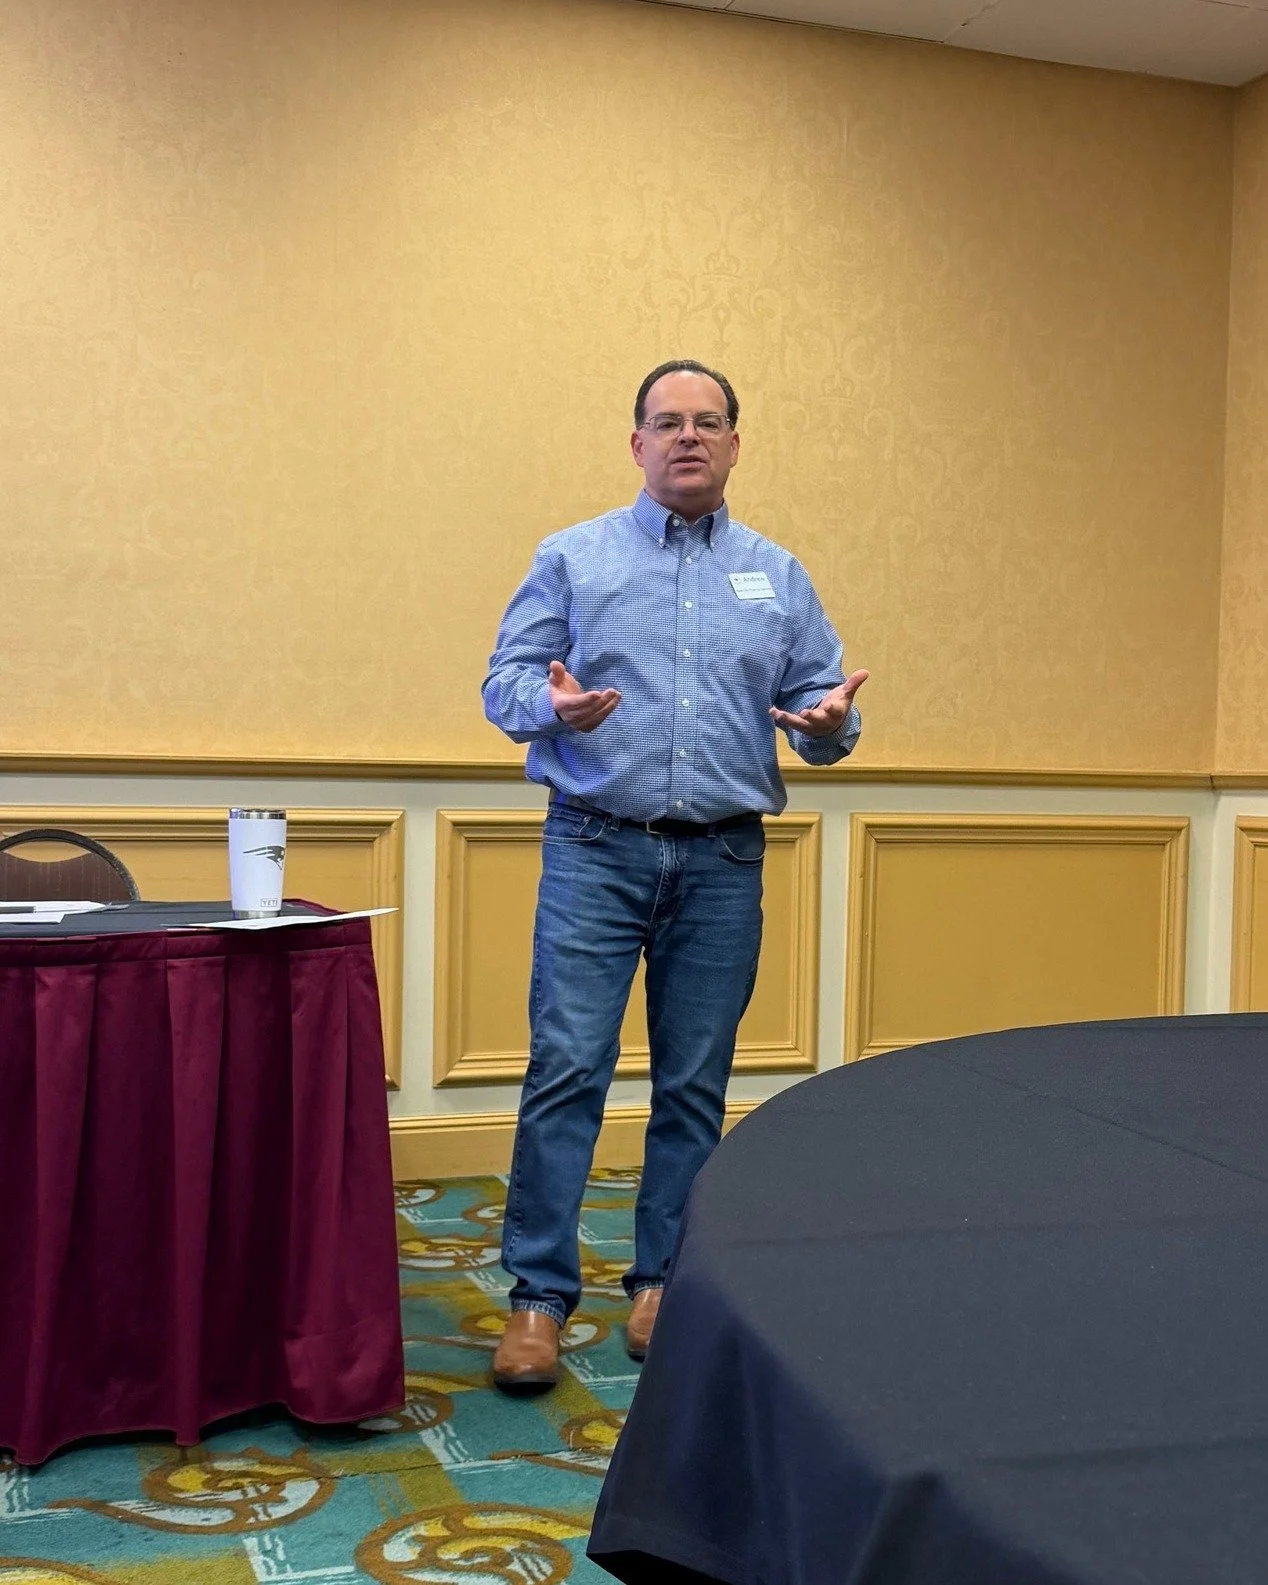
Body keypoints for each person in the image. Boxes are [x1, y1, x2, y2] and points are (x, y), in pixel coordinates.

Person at [481, 359, 868, 1388]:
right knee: (567, 1067)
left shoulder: (778, 576)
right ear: (637, 443)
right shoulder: (573, 557)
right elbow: (503, 683)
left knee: (693, 1081)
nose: (686, 436)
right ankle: (536, 1297)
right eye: (666, 422)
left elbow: (823, 712)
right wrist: (552, 707)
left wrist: (830, 723)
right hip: (594, 848)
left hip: (722, 858)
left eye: (706, 422)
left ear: (735, 443)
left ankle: (664, 1281)